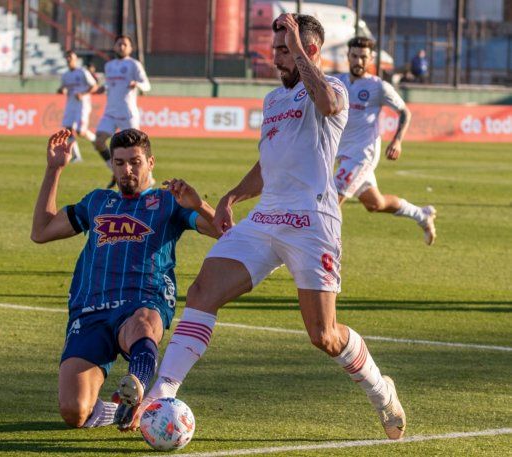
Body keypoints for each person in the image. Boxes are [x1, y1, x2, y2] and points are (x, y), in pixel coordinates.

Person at [135, 14, 407, 440]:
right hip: (266, 218)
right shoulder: (272, 100)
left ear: (309, 50)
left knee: (324, 336)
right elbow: (269, 162)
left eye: (285, 50)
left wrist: (300, 52)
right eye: (277, 49)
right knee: (203, 291)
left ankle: (380, 389)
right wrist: (231, 197)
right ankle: (162, 390)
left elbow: (329, 106)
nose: (275, 57)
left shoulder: (333, 88)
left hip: (313, 222)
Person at [31, 128, 218, 431]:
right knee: (74, 412)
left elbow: (226, 232)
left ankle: (138, 389)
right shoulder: (96, 202)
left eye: (134, 162)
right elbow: (41, 232)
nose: (126, 170)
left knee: (142, 325)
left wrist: (198, 205)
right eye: (119, 163)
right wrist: (54, 170)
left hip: (143, 300)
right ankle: (120, 408)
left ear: (150, 163)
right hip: (91, 309)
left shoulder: (168, 202)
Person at [334, 37, 437, 245]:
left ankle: (324, 260)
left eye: (363, 57)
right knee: (375, 204)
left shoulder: (378, 87)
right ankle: (422, 215)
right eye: (354, 56)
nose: (358, 61)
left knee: (331, 203)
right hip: (342, 154)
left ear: (371, 58)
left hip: (362, 156)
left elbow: (405, 113)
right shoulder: (338, 83)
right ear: (348, 57)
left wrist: (397, 141)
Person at [94, 35, 152, 189]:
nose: (121, 47)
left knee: (137, 148)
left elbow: (147, 85)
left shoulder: (134, 65)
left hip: (127, 113)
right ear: (114, 47)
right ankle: (114, 169)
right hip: (110, 112)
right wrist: (102, 88)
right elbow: (110, 85)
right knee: (98, 142)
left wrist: (137, 84)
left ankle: (149, 178)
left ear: (130, 48)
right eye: (119, 44)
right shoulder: (109, 66)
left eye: (124, 44)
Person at [57, 50, 99, 163]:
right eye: (67, 57)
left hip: (83, 104)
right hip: (71, 104)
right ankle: (76, 156)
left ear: (76, 59)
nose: (69, 59)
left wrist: (83, 94)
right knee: (68, 130)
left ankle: (97, 141)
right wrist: (61, 90)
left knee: (81, 131)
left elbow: (94, 86)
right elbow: (63, 88)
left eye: (71, 57)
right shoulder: (65, 75)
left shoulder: (82, 72)